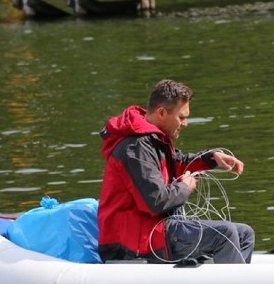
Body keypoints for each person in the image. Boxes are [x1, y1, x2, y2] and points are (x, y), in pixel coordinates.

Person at [98, 79, 254, 264]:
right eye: (182, 117)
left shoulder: (153, 140)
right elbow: (155, 201)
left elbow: (179, 162)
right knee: (225, 233)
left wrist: (212, 158)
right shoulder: (136, 147)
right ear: (162, 113)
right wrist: (184, 188)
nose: (186, 123)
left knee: (245, 234)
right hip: (133, 242)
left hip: (157, 230)